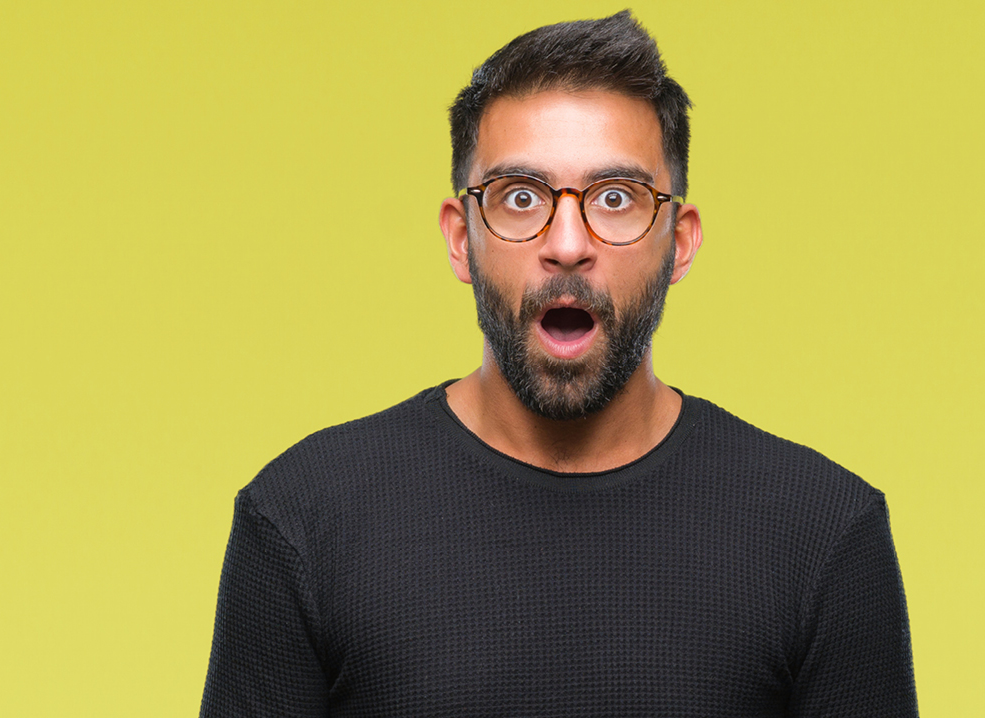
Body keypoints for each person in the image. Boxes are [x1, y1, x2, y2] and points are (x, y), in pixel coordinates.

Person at [200, 11, 918, 717]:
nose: (567, 243)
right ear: (460, 238)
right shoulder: (303, 519)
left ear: (681, 241)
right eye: (520, 198)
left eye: (615, 198)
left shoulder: (822, 533)